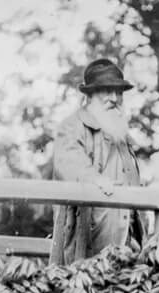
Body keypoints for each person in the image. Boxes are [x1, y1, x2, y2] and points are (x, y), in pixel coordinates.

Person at [50, 58, 146, 265]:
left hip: (126, 238)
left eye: (118, 92)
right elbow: (69, 163)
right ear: (90, 95)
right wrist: (95, 179)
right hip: (89, 236)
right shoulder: (72, 126)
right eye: (106, 91)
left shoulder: (121, 132)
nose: (114, 98)